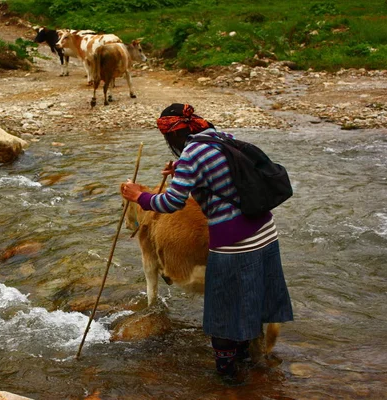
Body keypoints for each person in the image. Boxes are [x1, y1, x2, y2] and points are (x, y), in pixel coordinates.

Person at [121, 103, 293, 377]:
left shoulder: (191, 154)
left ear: (173, 135)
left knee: (223, 310)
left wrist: (137, 196)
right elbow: (222, 175)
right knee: (251, 297)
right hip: (265, 231)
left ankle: (228, 379)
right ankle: (256, 362)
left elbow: (172, 202)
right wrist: (181, 171)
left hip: (234, 241)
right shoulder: (220, 137)